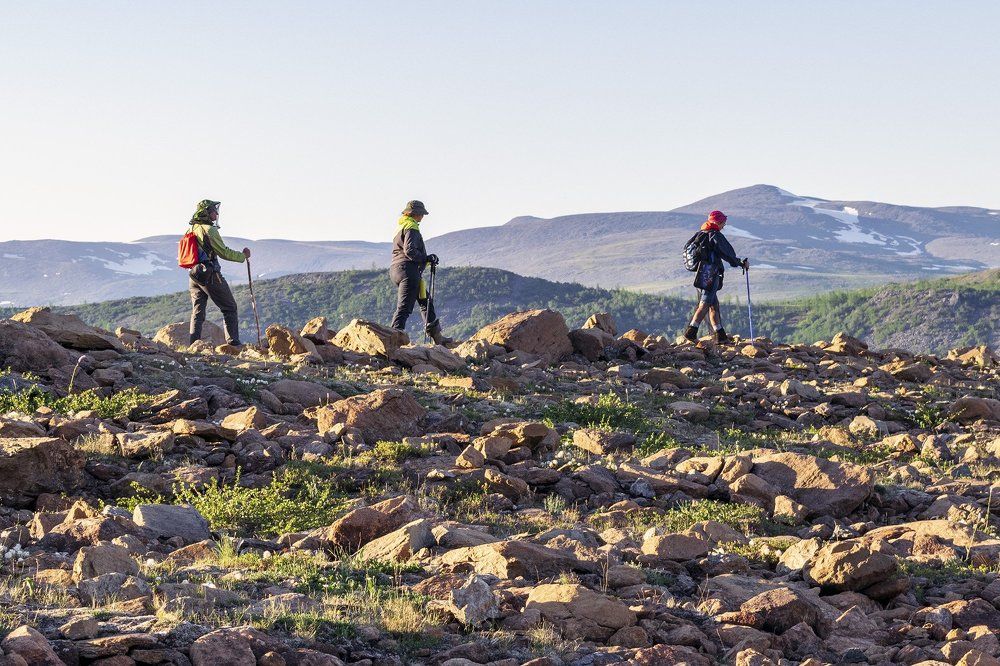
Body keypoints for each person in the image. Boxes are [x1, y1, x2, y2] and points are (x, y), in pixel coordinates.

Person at [186, 199, 251, 347]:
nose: (217, 213)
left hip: (194, 275)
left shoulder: (191, 229)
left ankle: (193, 345)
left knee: (198, 311)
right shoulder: (210, 230)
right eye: (214, 210)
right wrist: (243, 256)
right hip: (210, 274)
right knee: (230, 307)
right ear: (207, 213)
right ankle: (234, 345)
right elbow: (224, 253)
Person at [389, 200, 452, 344]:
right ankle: (393, 341)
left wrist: (425, 260)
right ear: (416, 214)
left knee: (425, 301)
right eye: (422, 214)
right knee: (404, 307)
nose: (422, 217)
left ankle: (438, 338)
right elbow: (410, 250)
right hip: (408, 270)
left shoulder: (400, 226)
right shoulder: (411, 226)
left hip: (397, 269)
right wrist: (426, 258)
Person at [683, 210, 749, 344]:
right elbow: (728, 254)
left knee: (714, 305)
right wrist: (740, 263)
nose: (724, 225)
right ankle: (691, 331)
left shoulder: (700, 234)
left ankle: (721, 336)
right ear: (718, 222)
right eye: (723, 222)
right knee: (706, 303)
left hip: (701, 273)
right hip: (711, 274)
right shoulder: (715, 235)